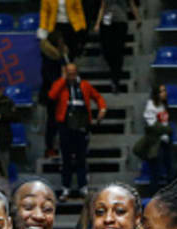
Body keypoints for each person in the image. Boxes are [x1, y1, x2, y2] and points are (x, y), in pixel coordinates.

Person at [47, 63, 106, 200]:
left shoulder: (85, 85)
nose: (72, 76)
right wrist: (63, 79)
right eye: (69, 73)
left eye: (74, 73)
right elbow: (51, 96)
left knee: (81, 157)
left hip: (81, 123)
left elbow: (98, 97)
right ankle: (66, 188)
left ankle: (83, 187)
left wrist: (102, 109)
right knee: (66, 158)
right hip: (65, 125)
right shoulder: (61, 85)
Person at [94, 0, 138, 92]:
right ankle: (114, 72)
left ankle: (115, 80)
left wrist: (137, 18)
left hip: (120, 21)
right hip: (106, 20)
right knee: (107, 49)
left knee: (118, 51)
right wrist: (98, 23)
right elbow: (102, 6)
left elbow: (132, 4)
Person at [39, 30, 71, 158]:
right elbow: (52, 79)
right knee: (52, 121)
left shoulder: (63, 56)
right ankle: (50, 148)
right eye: (60, 41)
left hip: (63, 93)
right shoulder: (49, 59)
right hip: (52, 94)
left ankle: (64, 146)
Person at [137, 84, 174, 191]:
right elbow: (152, 125)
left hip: (166, 141)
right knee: (155, 172)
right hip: (156, 142)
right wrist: (165, 130)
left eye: (164, 90)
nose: (164, 93)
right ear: (156, 93)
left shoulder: (163, 105)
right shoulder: (150, 106)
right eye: (161, 91)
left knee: (169, 169)